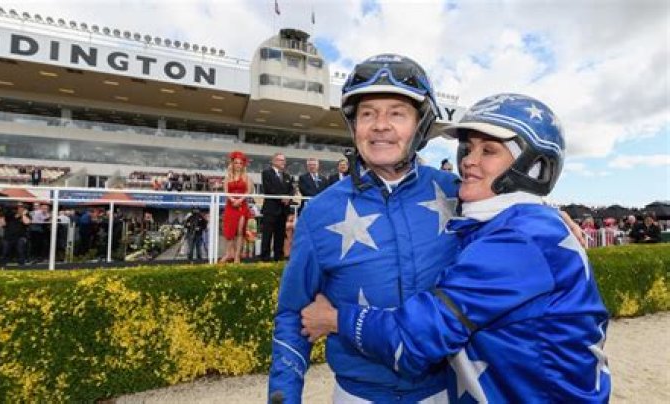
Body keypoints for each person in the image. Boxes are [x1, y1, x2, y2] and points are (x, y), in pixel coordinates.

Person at [300, 94, 611, 403]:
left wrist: (334, 319)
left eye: (488, 150)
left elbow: (415, 339)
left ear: (534, 167)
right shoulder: (525, 226)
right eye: (468, 148)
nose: (468, 161)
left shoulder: (517, 241)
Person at [269, 54, 460, 403]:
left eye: (396, 113)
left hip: (448, 391)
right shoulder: (319, 211)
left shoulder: (458, 193)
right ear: (354, 125)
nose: (380, 125)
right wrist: (283, 396)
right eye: (368, 113)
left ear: (421, 125)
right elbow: (293, 314)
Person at [220, 151, 253, 264]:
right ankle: (228, 253)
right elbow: (225, 192)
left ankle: (237, 255)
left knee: (240, 231)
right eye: (236, 163)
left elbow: (248, 191)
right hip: (230, 206)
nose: (238, 165)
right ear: (232, 164)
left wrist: (240, 200)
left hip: (242, 206)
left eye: (240, 163)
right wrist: (232, 199)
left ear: (243, 165)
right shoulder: (228, 177)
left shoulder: (246, 177)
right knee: (230, 230)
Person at [260, 152, 294, 262]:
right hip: (271, 209)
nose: (283, 162)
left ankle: (278, 257)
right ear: (274, 161)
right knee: (267, 235)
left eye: (284, 160)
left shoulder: (287, 176)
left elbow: (291, 190)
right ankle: (264, 258)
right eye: (280, 160)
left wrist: (288, 198)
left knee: (280, 235)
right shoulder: (266, 173)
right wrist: (281, 197)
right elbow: (268, 189)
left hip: (283, 210)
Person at [0, 202, 31, 266]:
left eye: (22, 208)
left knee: (20, 250)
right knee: (4, 251)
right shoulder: (9, 215)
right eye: (19, 207)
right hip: (8, 236)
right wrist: (2, 216)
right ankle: (2, 265)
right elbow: (2, 224)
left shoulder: (26, 215)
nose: (20, 209)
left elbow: (27, 222)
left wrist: (23, 215)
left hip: (20, 236)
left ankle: (21, 265)